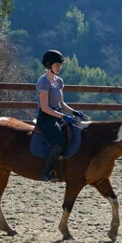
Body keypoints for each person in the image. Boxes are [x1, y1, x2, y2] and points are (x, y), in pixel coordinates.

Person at [34, 50, 80, 180]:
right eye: (57, 65)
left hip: (58, 114)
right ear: (49, 65)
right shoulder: (43, 82)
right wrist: (63, 116)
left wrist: (73, 112)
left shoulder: (59, 81)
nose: (59, 68)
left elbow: (61, 103)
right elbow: (45, 107)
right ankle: (45, 172)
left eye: (60, 65)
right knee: (60, 142)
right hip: (46, 118)